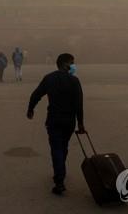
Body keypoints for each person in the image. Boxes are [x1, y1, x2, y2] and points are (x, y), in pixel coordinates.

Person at [27, 53, 85, 195]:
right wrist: (81, 124)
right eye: (72, 63)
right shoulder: (74, 81)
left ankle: (59, 179)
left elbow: (36, 94)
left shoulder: (49, 78)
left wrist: (30, 109)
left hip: (54, 120)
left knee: (56, 148)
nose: (73, 66)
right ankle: (60, 172)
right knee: (63, 147)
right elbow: (79, 105)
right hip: (69, 122)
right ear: (65, 64)